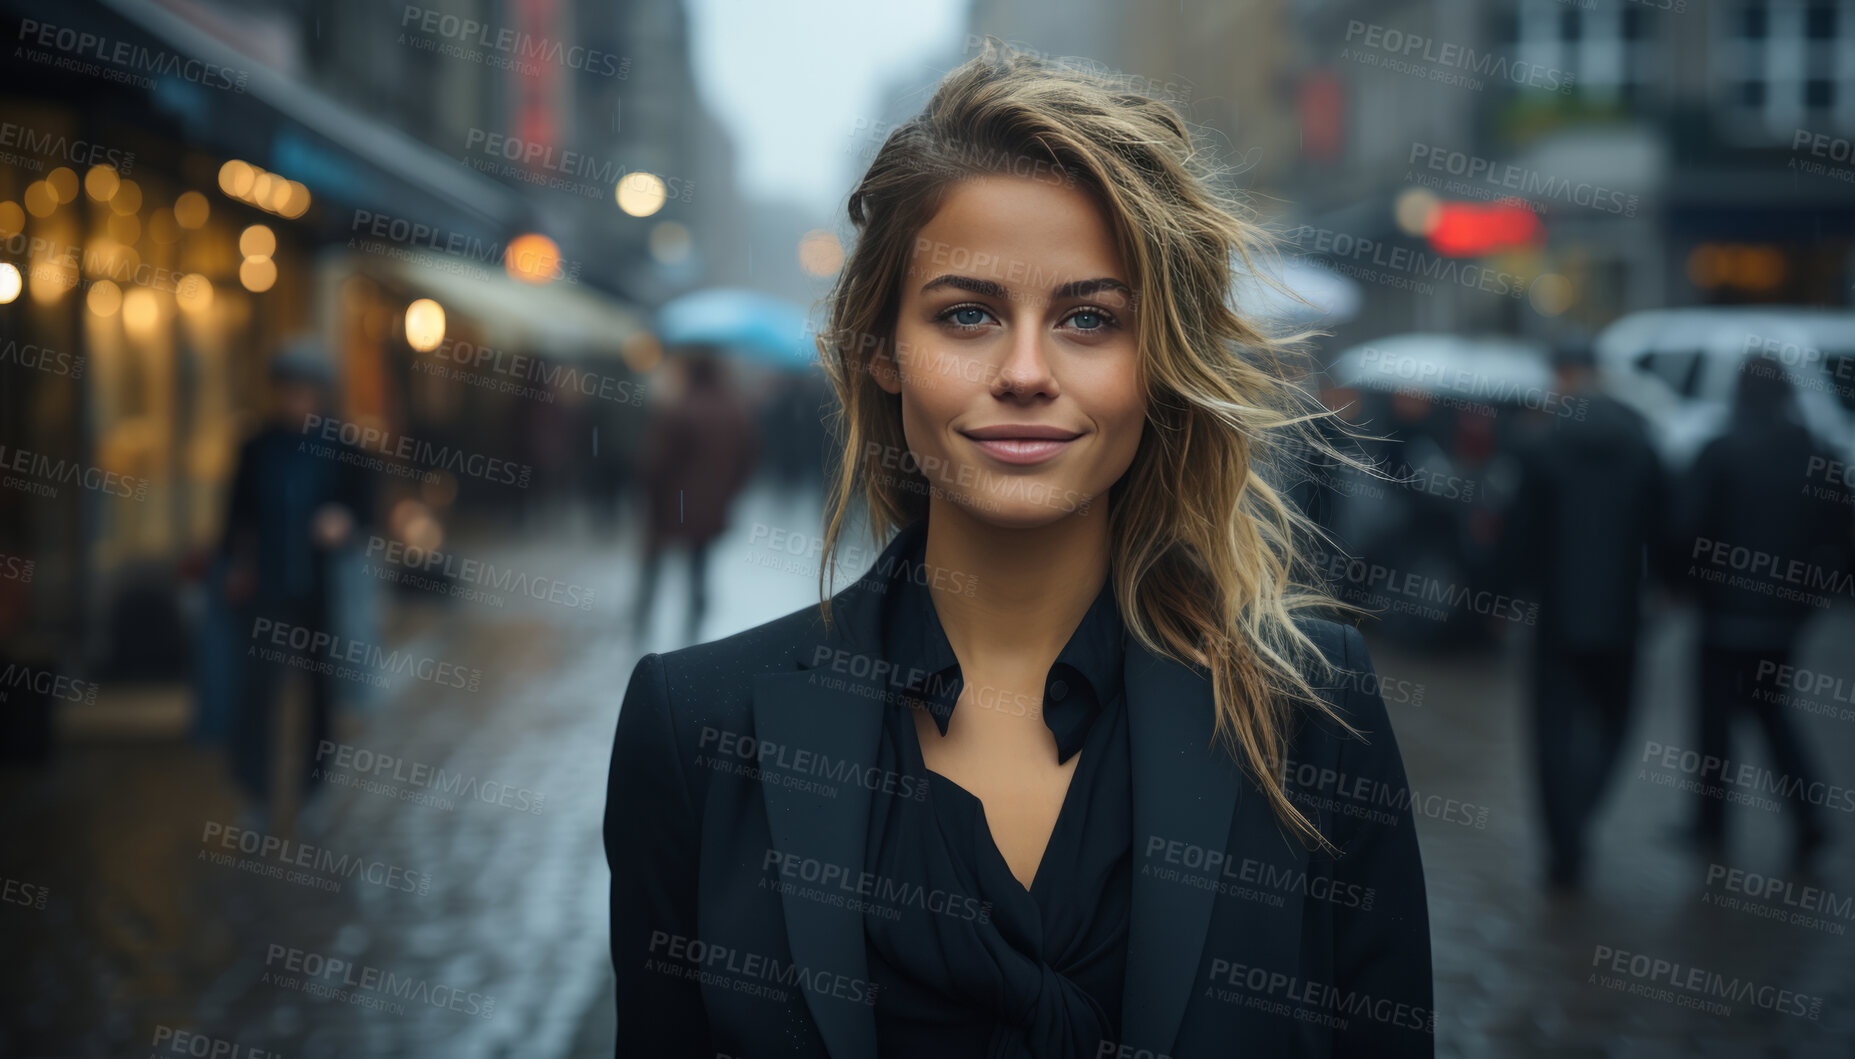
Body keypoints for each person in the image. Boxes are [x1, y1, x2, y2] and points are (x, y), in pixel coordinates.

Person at [603, 41, 1431, 1058]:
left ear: (1155, 361)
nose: (1026, 371)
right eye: (966, 315)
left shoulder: (1307, 712)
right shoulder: (693, 729)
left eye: (1088, 318)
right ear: (882, 355)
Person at [1673, 355, 1854, 867]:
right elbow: (1841, 536)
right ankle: (1808, 817)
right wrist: (1809, 597)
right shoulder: (1815, 453)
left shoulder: (1720, 450)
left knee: (1714, 725)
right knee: (1774, 714)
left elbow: (1686, 527)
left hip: (1723, 618)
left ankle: (1711, 828)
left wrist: (1684, 585)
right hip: (1781, 621)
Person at [1502, 338, 1666, 890]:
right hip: (1622, 610)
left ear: (1566, 375)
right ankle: (1584, 807)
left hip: (1557, 612)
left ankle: (1563, 844)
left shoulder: (1545, 440)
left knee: (1551, 730)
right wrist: (1665, 585)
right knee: (1615, 720)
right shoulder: (1640, 434)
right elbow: (1668, 521)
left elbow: (1519, 532)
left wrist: (1504, 596)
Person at [218, 342, 372, 833]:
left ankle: (313, 790)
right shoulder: (258, 446)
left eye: (306, 393)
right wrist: (232, 565)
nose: (297, 403)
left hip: (320, 592)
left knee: (319, 695)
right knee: (256, 692)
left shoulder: (343, 448)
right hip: (267, 589)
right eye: (289, 392)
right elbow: (234, 516)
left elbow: (364, 507)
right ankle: (256, 792)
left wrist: (342, 522)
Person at [630, 351, 759, 646]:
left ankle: (642, 617)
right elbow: (750, 457)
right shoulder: (734, 411)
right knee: (699, 566)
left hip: (670, 506)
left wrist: (649, 493)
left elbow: (654, 462)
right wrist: (727, 491)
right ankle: (696, 626)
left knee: (653, 563)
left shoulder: (679, 409)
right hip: (711, 506)